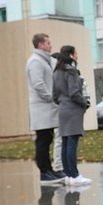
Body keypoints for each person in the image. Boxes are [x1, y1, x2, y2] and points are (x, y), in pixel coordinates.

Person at [26, 33, 64, 183]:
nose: (50, 45)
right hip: (41, 107)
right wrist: (51, 97)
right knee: (42, 139)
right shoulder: (35, 61)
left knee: (47, 138)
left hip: (46, 107)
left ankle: (48, 169)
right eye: (48, 42)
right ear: (40, 45)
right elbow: (38, 84)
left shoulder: (44, 60)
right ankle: (44, 171)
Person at [52, 45, 92, 185]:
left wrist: (62, 102)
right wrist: (85, 103)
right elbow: (74, 92)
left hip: (62, 109)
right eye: (76, 53)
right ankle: (75, 175)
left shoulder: (56, 72)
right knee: (72, 142)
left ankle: (68, 175)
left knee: (65, 142)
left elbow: (54, 95)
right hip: (73, 110)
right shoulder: (71, 71)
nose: (77, 55)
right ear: (70, 55)